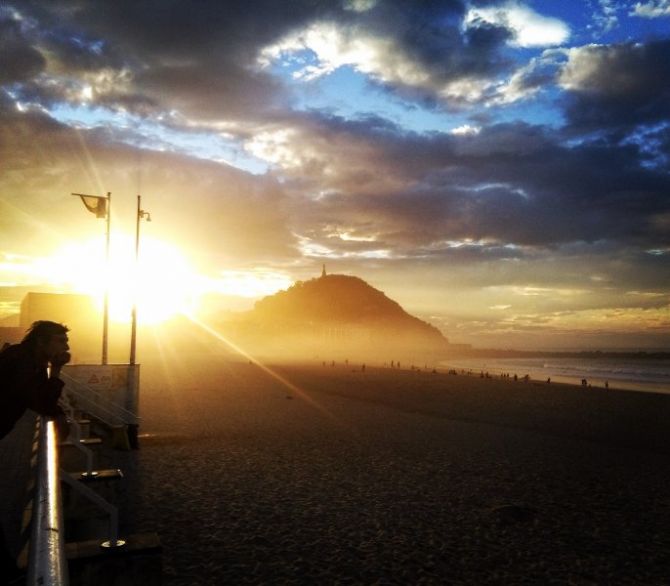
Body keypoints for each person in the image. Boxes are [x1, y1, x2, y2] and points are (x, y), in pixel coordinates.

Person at [0, 321, 70, 582]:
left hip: (7, 432)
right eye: (60, 341)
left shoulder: (26, 358)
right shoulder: (23, 362)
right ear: (41, 341)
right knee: (7, 499)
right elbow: (43, 402)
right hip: (4, 437)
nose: (66, 347)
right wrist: (59, 369)